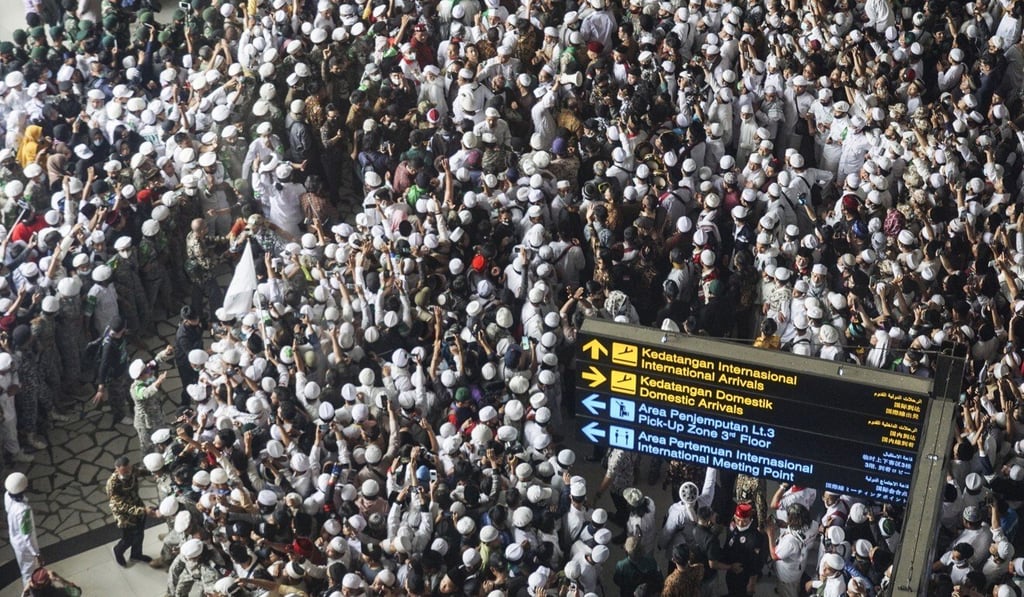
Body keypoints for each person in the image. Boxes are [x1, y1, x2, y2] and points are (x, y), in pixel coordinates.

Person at [105, 455, 158, 567]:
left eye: (129, 470)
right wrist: (143, 510)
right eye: (125, 472)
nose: (128, 473)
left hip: (137, 505)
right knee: (128, 538)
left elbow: (141, 472)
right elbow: (122, 506)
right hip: (125, 515)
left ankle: (136, 554)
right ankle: (118, 551)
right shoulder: (112, 484)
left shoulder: (132, 470)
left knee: (139, 534)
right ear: (117, 469)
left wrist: (156, 472)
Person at [5, 472, 41, 587]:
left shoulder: (7, 495)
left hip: (15, 539)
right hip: (24, 547)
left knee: (26, 570)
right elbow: (27, 536)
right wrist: (36, 553)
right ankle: (29, 592)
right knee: (29, 573)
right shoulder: (24, 510)